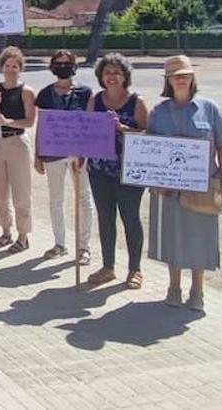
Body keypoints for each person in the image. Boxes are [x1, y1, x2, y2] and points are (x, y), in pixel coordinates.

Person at [147, 55, 222, 312]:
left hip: (203, 186)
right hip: (169, 188)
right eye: (175, 75)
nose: (181, 78)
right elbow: (149, 150)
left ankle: (198, 291)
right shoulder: (158, 112)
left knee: (200, 237)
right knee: (172, 236)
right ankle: (174, 287)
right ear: (168, 80)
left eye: (185, 74)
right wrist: (153, 180)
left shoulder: (209, 108)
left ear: (193, 77)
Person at [85, 52, 149, 291]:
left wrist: (123, 128)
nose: (111, 76)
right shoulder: (95, 100)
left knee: (130, 218)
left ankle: (135, 269)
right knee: (105, 219)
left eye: (116, 72)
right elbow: (88, 132)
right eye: (107, 72)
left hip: (129, 171)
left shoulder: (137, 101)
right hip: (99, 170)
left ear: (125, 76)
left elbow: (147, 135)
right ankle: (108, 267)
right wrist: (79, 156)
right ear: (101, 76)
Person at [34, 49, 96, 263]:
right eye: (58, 63)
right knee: (56, 199)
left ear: (73, 66)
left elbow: (90, 125)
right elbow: (41, 125)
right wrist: (37, 155)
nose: (63, 67)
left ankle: (84, 247)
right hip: (53, 154)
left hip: (78, 154)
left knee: (84, 198)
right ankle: (60, 243)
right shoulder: (44, 94)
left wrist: (85, 152)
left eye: (66, 63)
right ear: (52, 67)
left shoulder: (86, 93)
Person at [0, 46, 37, 253]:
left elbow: (30, 121)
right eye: (7, 65)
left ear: (20, 68)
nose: (10, 69)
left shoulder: (26, 91)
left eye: (15, 66)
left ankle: (23, 236)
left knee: (21, 192)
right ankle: (5, 231)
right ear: (1, 66)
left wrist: (9, 121)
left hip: (17, 143)